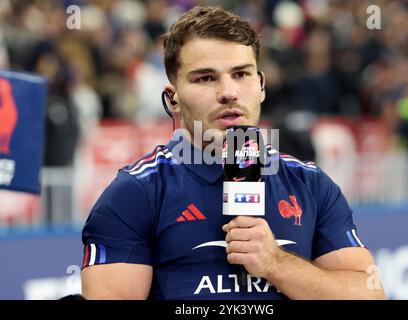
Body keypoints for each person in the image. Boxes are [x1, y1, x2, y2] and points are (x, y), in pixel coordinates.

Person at [81, 5, 386, 300]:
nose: (228, 92)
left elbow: (369, 294)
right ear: (172, 98)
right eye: (206, 78)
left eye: (241, 74)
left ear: (262, 85)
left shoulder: (311, 184)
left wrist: (276, 264)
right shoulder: (135, 192)